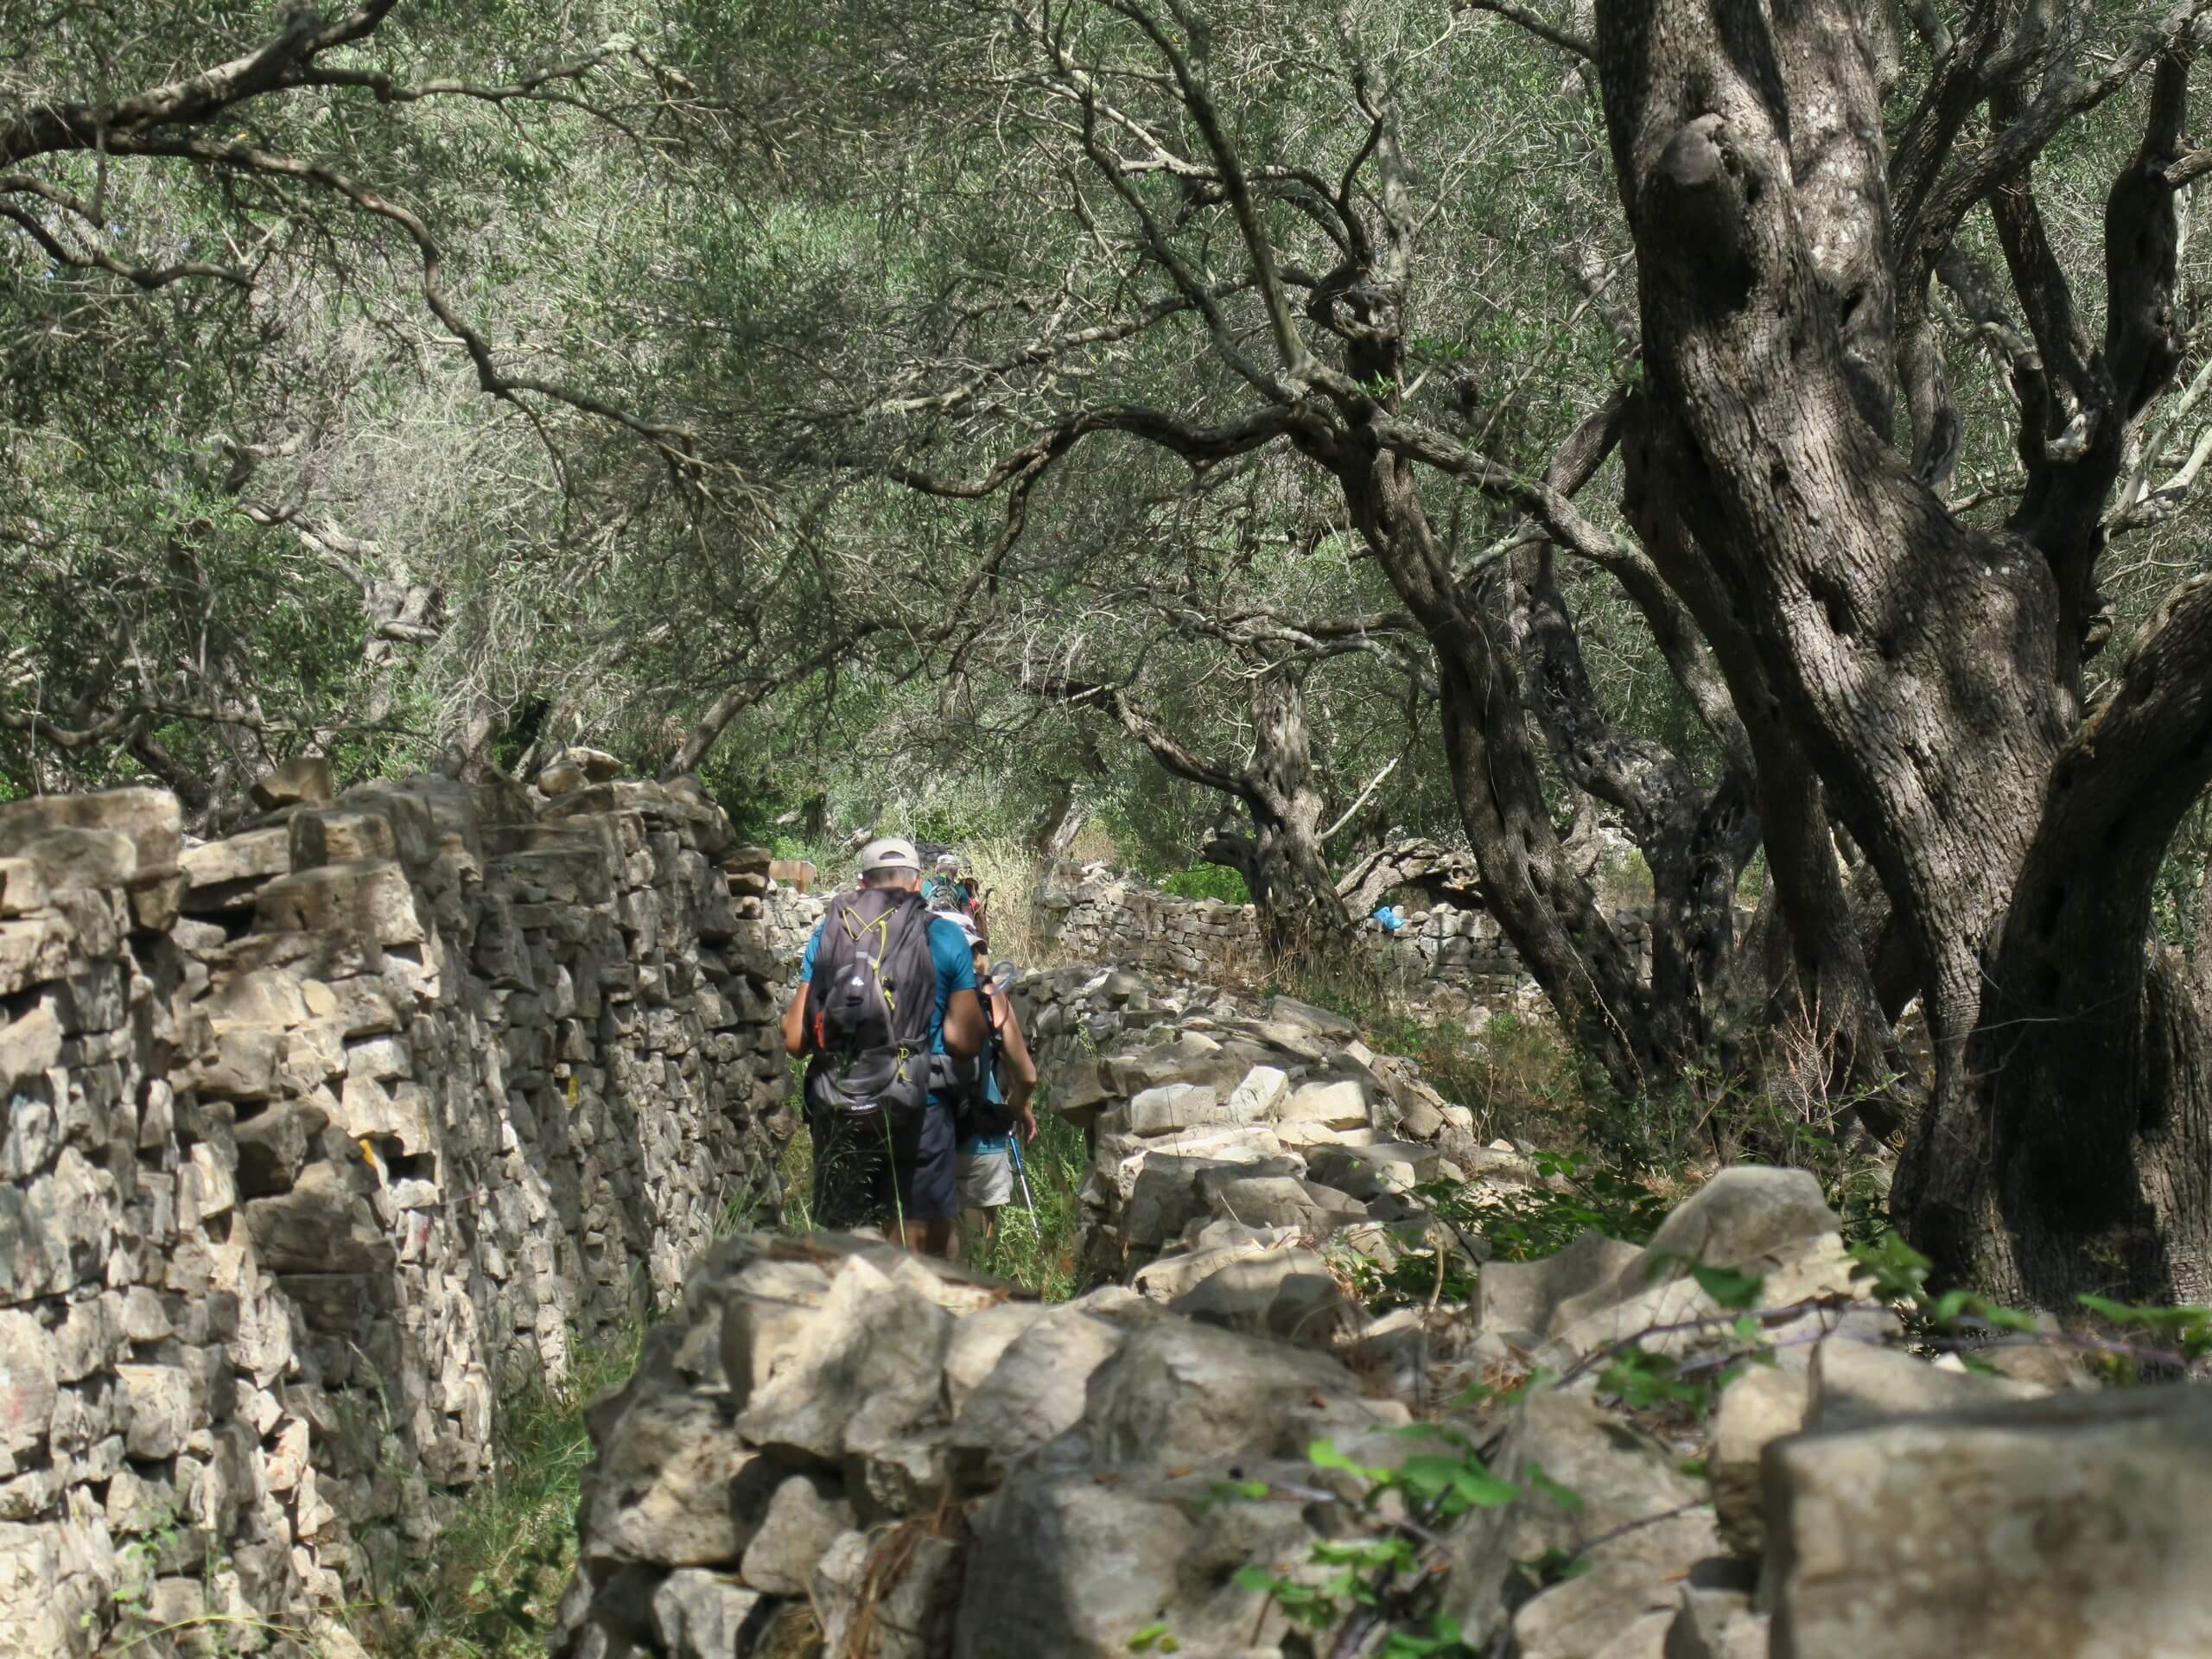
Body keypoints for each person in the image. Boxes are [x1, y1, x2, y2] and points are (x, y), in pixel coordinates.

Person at [780, 836, 983, 1256]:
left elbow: (795, 1039)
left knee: (843, 1245)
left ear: (861, 883)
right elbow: (964, 1042)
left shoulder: (828, 934)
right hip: (920, 1107)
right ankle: (917, 1314)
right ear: (918, 885)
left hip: (840, 1102)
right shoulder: (944, 936)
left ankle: (851, 1315)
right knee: (918, 1245)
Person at [950, 920, 1038, 1263]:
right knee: (977, 1244)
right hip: (981, 1134)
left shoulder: (910, 989)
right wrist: (1013, 1111)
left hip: (925, 1132)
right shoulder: (988, 996)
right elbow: (1025, 1077)